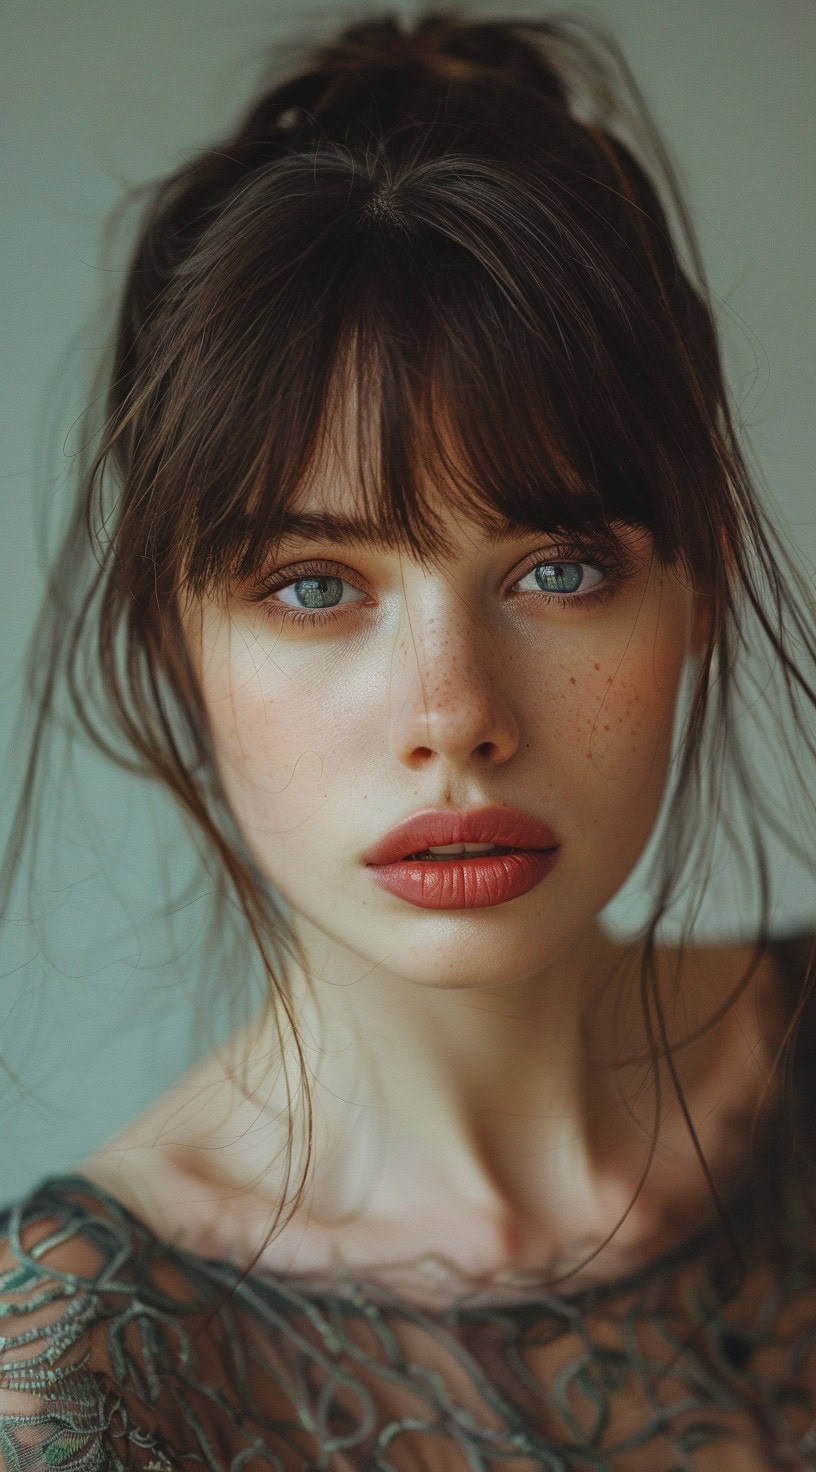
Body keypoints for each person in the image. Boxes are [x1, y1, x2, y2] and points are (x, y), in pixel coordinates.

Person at [0, 7, 814, 1468]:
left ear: (698, 580)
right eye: (315, 587)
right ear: (174, 645)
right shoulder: (87, 1370)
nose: (456, 717)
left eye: (557, 571)